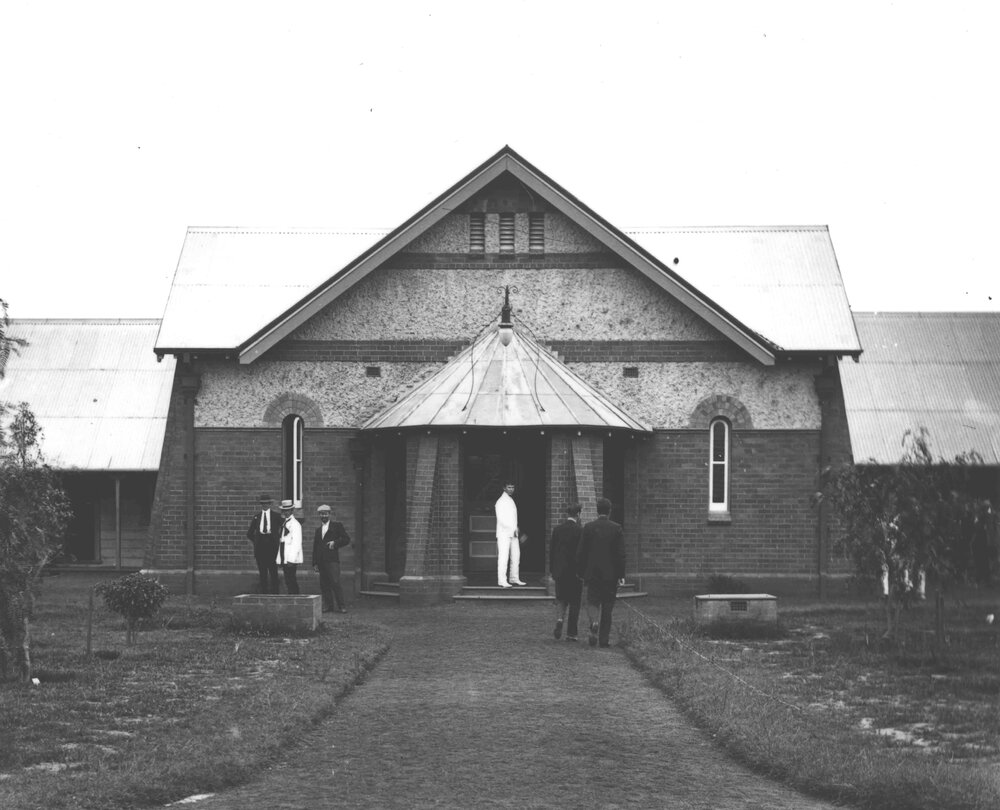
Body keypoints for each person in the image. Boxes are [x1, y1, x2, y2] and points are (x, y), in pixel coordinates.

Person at [577, 497, 626, 648]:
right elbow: (620, 554)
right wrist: (621, 574)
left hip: (592, 573)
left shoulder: (588, 527)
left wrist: (581, 571)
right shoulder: (616, 528)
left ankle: (594, 622)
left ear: (597, 511)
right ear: (609, 511)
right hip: (610, 575)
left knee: (592, 601)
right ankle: (604, 640)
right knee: (608, 606)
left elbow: (581, 552)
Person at [549, 502, 583, 641]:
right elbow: (582, 553)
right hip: (575, 572)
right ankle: (571, 633)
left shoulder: (557, 530)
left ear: (567, 514)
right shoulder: (580, 531)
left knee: (561, 598)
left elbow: (552, 551)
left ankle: (559, 619)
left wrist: (553, 570)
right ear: (578, 514)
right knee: (575, 602)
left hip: (560, 571)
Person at [312, 503, 351, 613]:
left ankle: (342, 606)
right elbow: (315, 547)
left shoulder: (337, 526)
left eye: (325, 514)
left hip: (332, 560)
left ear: (329, 514)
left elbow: (346, 539)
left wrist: (335, 542)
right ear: (319, 516)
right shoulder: (318, 530)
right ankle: (328, 606)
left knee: (335, 582)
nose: (323, 516)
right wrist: (314, 563)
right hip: (321, 561)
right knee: (324, 584)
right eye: (321, 514)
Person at [246, 493, 282, 594]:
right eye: (263, 504)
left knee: (273, 571)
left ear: (270, 504)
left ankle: (275, 593)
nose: (265, 505)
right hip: (261, 547)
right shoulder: (257, 517)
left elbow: (285, 527)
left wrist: (278, 538)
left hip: (272, 546)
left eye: (267, 503)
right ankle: (264, 593)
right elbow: (249, 533)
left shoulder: (276, 516)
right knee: (263, 572)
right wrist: (257, 540)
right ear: (261, 504)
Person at [495, 481, 525, 587]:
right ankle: (502, 580)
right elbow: (501, 519)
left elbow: (512, 518)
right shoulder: (501, 501)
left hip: (513, 534)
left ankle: (514, 578)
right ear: (504, 488)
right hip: (504, 534)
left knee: (516, 556)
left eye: (513, 487)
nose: (511, 489)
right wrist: (514, 528)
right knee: (503, 557)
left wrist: (516, 530)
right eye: (509, 487)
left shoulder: (510, 500)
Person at [277, 499, 303, 595]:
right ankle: (291, 598)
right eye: (284, 510)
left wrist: (291, 559)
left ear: (292, 511)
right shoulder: (285, 523)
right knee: (287, 579)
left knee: (291, 579)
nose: (285, 512)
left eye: (288, 510)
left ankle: (295, 598)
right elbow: (282, 540)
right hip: (284, 553)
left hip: (290, 556)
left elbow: (296, 543)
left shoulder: (295, 524)